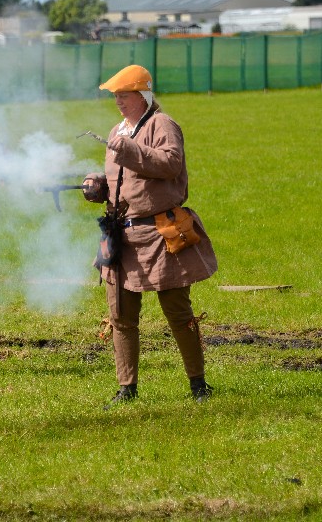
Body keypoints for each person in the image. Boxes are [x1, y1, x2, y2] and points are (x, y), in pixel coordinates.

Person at [81, 64, 219, 407]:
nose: (118, 102)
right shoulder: (118, 130)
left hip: (161, 233)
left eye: (124, 95)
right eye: (115, 96)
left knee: (178, 311)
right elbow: (121, 181)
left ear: (142, 95)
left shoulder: (162, 124)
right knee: (121, 316)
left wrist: (128, 151)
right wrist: (98, 185)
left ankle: (199, 385)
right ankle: (127, 388)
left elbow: (170, 163)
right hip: (122, 236)